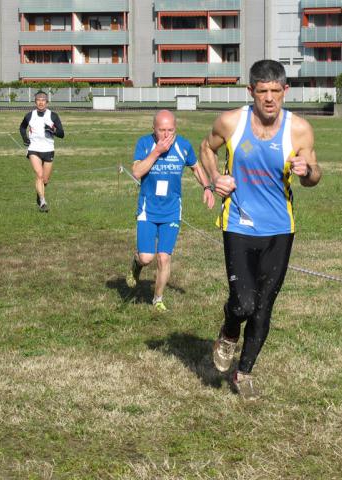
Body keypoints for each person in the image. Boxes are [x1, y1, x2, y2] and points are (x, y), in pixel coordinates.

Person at [200, 59, 322, 400]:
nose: (269, 99)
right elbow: (205, 148)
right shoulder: (231, 122)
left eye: (275, 92)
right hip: (238, 223)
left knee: (264, 305)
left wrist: (306, 170)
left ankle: (245, 372)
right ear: (250, 91)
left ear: (286, 91)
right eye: (262, 92)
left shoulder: (299, 130)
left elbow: (314, 176)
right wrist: (215, 179)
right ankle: (228, 330)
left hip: (279, 228)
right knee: (242, 304)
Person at [126, 110, 215, 312]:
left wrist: (207, 187)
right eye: (161, 130)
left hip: (172, 210)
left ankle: (157, 299)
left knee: (164, 257)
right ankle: (137, 263)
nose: (166, 135)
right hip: (148, 209)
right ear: (153, 129)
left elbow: (196, 167)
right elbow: (137, 172)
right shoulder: (145, 143)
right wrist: (157, 151)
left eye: (170, 130)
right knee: (147, 257)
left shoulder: (183, 145)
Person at [19, 91, 65, 212]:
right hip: (34, 149)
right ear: (35, 102)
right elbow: (22, 127)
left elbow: (62, 134)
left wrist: (52, 130)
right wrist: (25, 139)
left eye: (43, 100)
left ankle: (39, 195)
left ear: (47, 102)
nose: (41, 102)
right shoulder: (29, 115)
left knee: (45, 179)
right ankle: (43, 202)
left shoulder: (53, 116)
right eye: (38, 100)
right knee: (39, 175)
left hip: (49, 150)